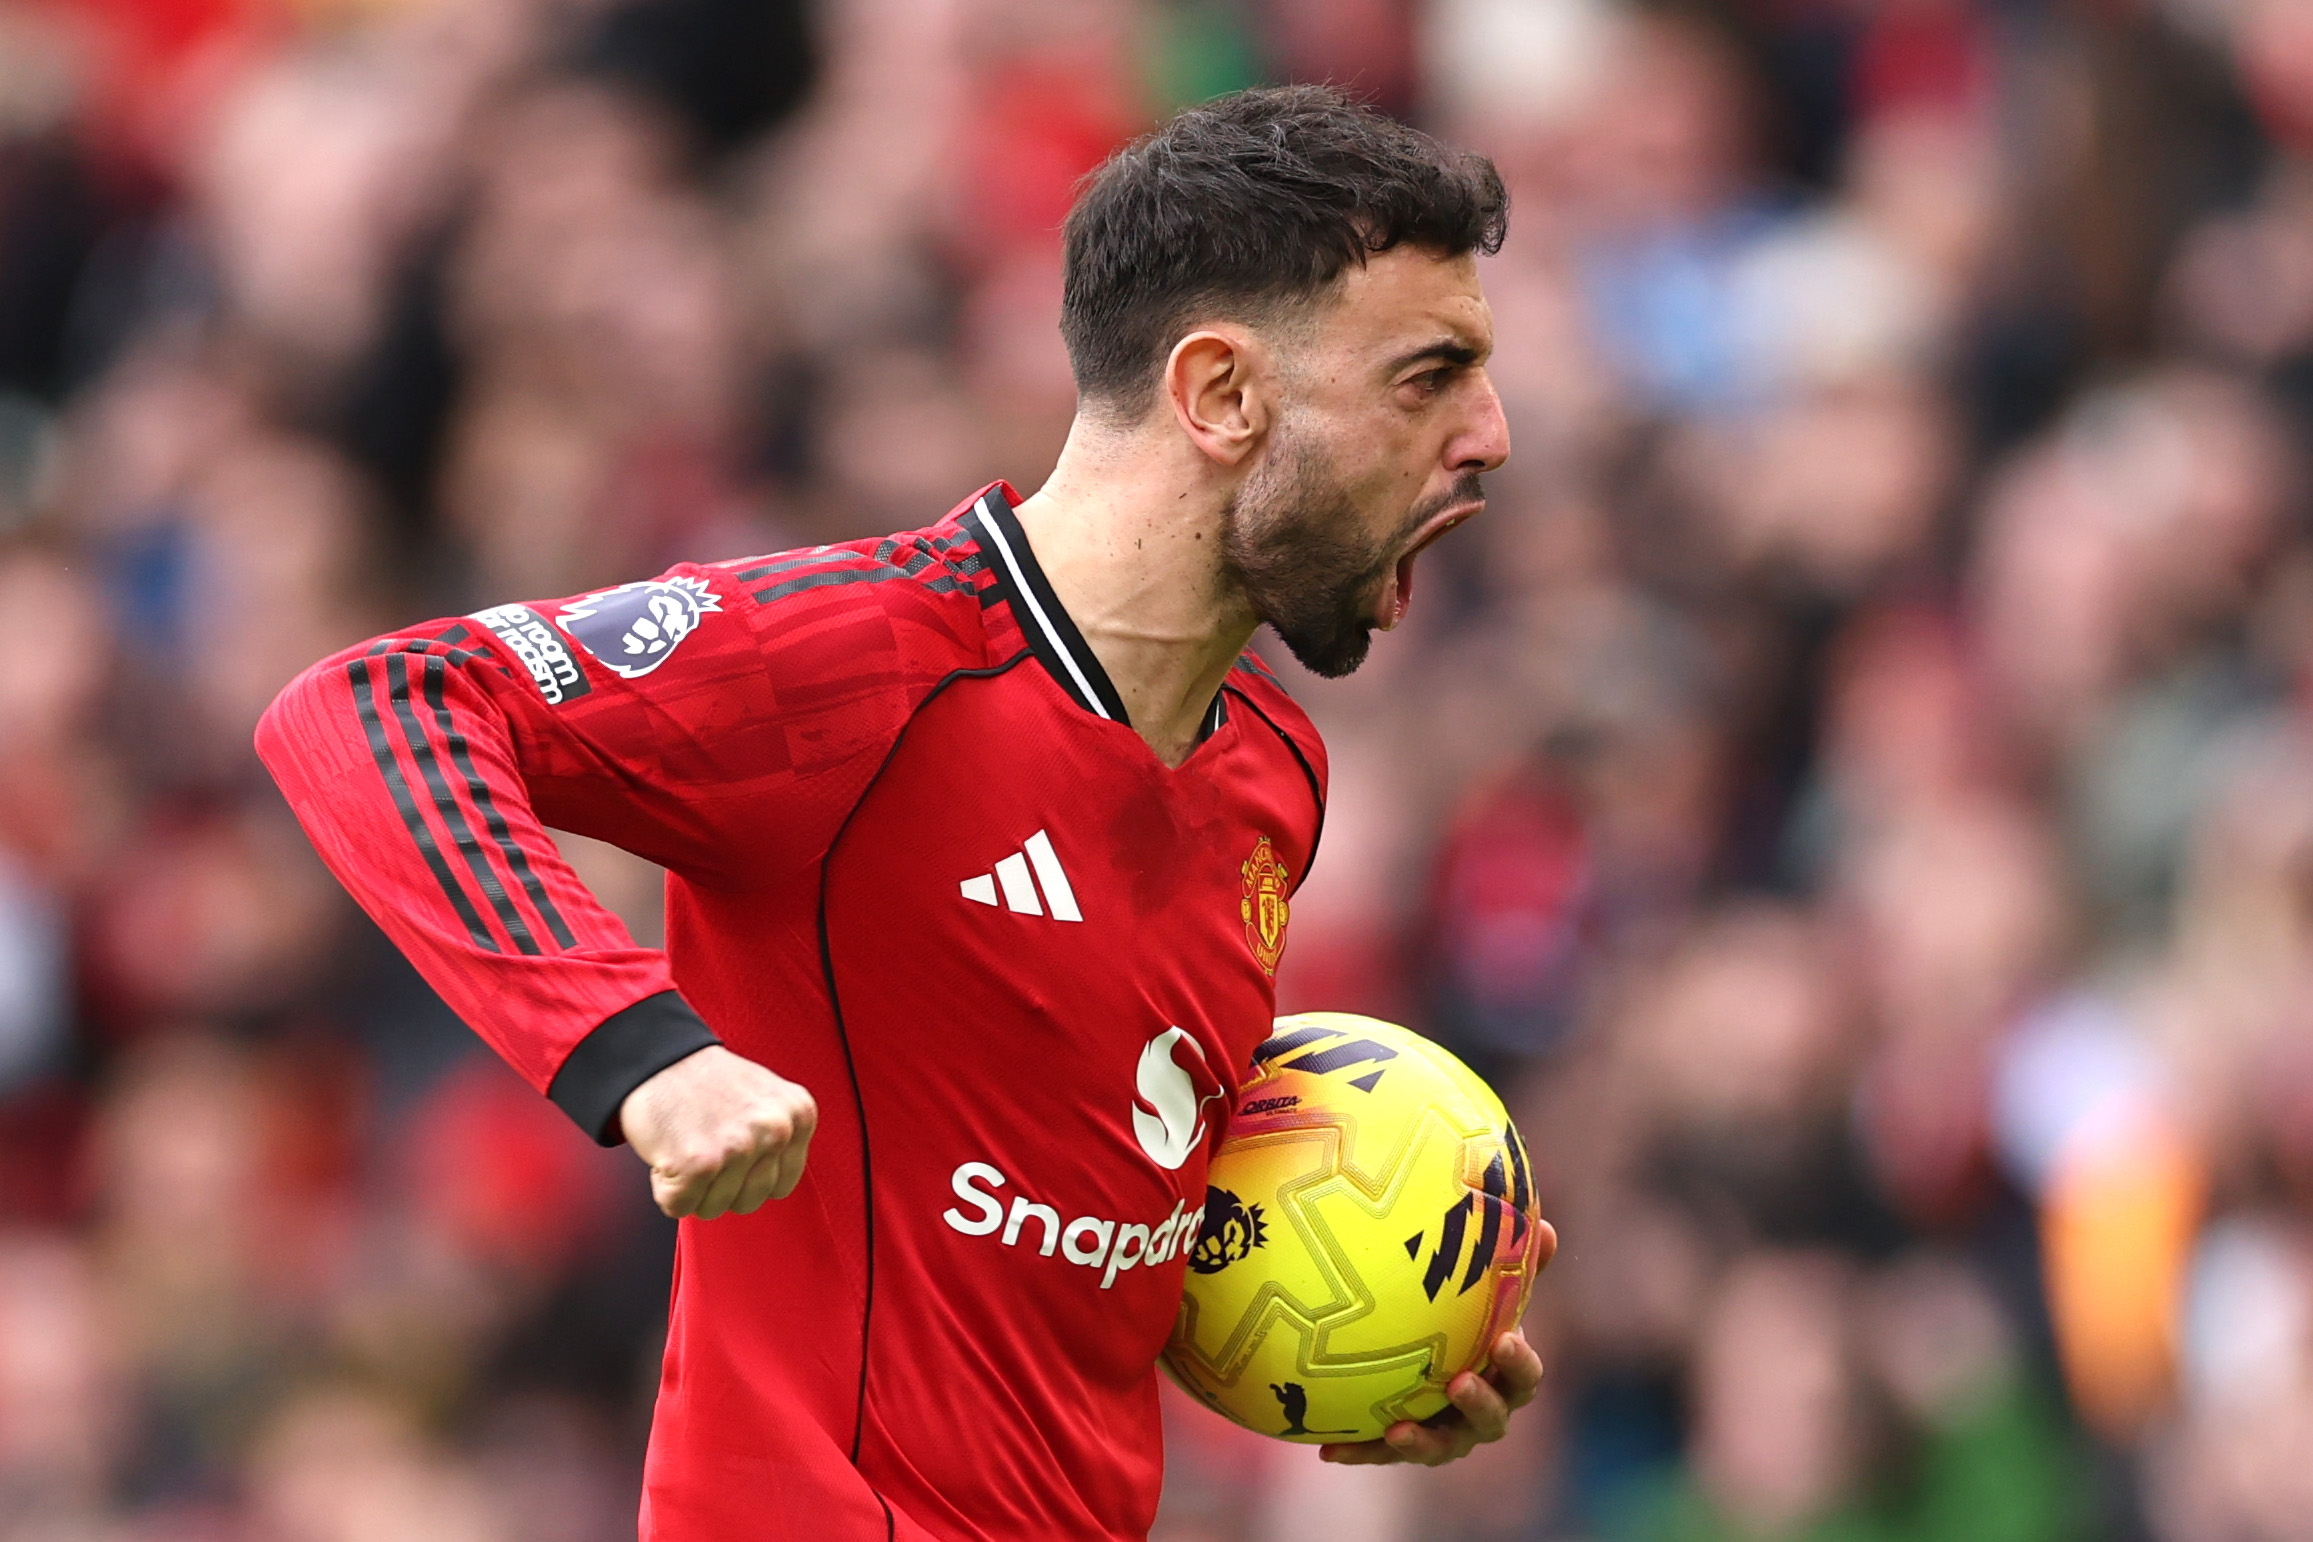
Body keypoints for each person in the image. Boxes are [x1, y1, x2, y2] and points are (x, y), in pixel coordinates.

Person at [258, 85, 1556, 1541]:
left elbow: (1035, 1233)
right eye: (1427, 374)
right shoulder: (862, 665)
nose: (1490, 436)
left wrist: (1350, 1334)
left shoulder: (1269, 771)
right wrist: (644, 1053)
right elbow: (372, 706)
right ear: (1220, 396)